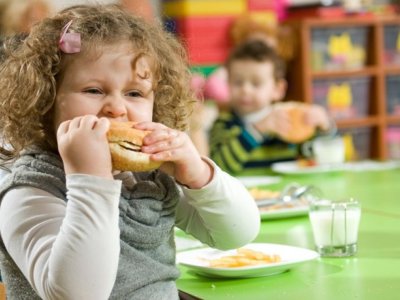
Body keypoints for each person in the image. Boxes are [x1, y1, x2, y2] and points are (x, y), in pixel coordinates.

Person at [0, 5, 260, 299]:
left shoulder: (148, 177)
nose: (117, 107)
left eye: (134, 93)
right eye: (93, 91)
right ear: (45, 99)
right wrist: (91, 179)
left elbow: (236, 234)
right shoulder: (30, 188)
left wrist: (200, 175)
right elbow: (77, 294)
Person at [209, 40, 333, 176]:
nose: (245, 90)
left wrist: (323, 126)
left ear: (278, 89)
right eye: (237, 82)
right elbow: (219, 167)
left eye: (256, 83)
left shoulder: (289, 120)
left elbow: (318, 158)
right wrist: (258, 130)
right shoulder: (223, 123)